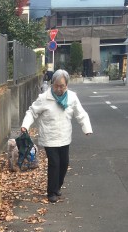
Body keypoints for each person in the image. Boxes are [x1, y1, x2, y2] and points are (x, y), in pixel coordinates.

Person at [21, 69, 93, 203]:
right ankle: (52, 192)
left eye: (62, 86)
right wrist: (25, 125)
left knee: (64, 163)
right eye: (56, 86)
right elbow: (32, 112)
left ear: (67, 85)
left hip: (65, 136)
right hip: (49, 136)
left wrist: (86, 128)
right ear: (52, 84)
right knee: (54, 163)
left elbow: (80, 114)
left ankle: (57, 186)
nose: (59, 89)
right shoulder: (44, 98)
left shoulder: (72, 97)